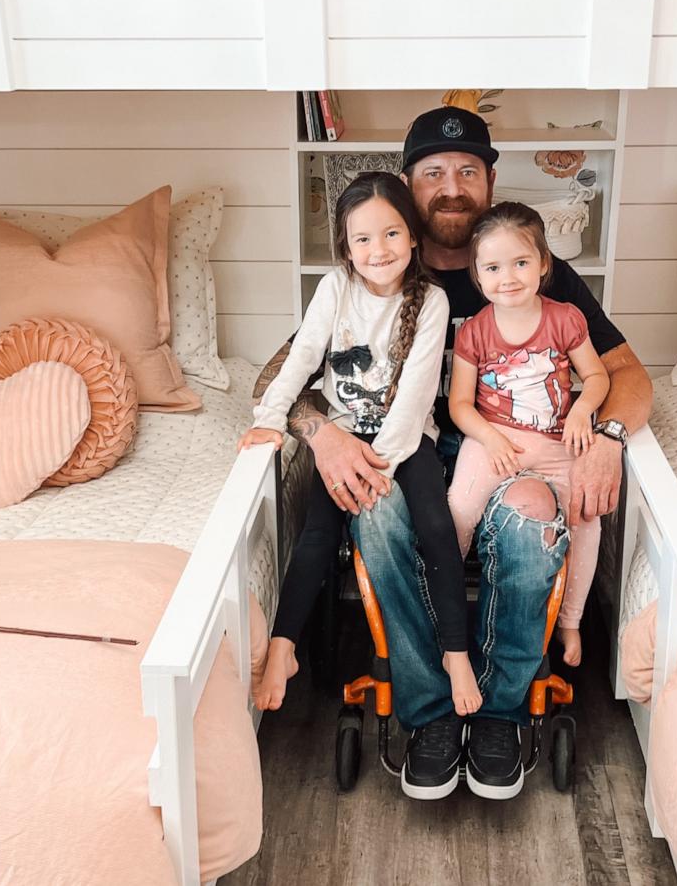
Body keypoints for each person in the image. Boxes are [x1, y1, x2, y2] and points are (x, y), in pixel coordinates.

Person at [257, 107, 653, 801]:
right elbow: (277, 378)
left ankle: (500, 711)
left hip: (511, 458)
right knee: (374, 511)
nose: (452, 187)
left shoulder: (525, 271)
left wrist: (609, 441)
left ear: (491, 181)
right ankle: (430, 711)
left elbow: (631, 377)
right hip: (405, 456)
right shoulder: (375, 279)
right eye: (433, 173)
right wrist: (322, 435)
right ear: (408, 191)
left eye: (468, 171)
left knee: (533, 517)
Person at [240, 172, 476, 735]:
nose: (378, 251)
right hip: (345, 435)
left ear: (413, 237)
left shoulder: (433, 302)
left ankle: (456, 653)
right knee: (318, 533)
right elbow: (300, 360)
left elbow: (416, 395)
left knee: (437, 526)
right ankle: (283, 645)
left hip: (405, 441)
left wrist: (377, 470)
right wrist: (269, 421)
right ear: (345, 245)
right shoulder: (334, 288)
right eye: (363, 239)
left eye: (391, 234)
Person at [447, 202, 608, 671]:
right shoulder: (475, 332)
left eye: (520, 263)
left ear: (543, 264)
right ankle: (443, 606)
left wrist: (582, 411)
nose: (508, 277)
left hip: (558, 443)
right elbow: (460, 404)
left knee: (586, 516)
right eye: (493, 267)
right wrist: (491, 441)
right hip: (494, 437)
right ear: (478, 275)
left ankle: (571, 619)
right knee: (459, 508)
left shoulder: (565, 318)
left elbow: (596, 376)